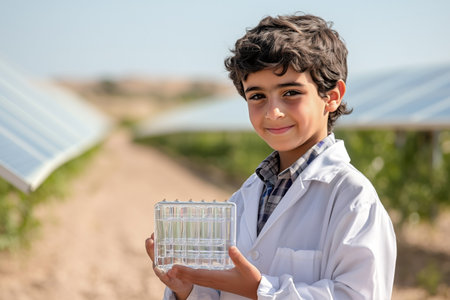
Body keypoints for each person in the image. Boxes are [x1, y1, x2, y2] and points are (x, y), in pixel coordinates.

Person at [145, 13, 396, 299]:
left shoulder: (352, 198)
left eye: (290, 92)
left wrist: (261, 290)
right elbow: (219, 290)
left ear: (332, 95)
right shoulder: (245, 196)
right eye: (257, 96)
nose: (272, 112)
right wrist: (187, 289)